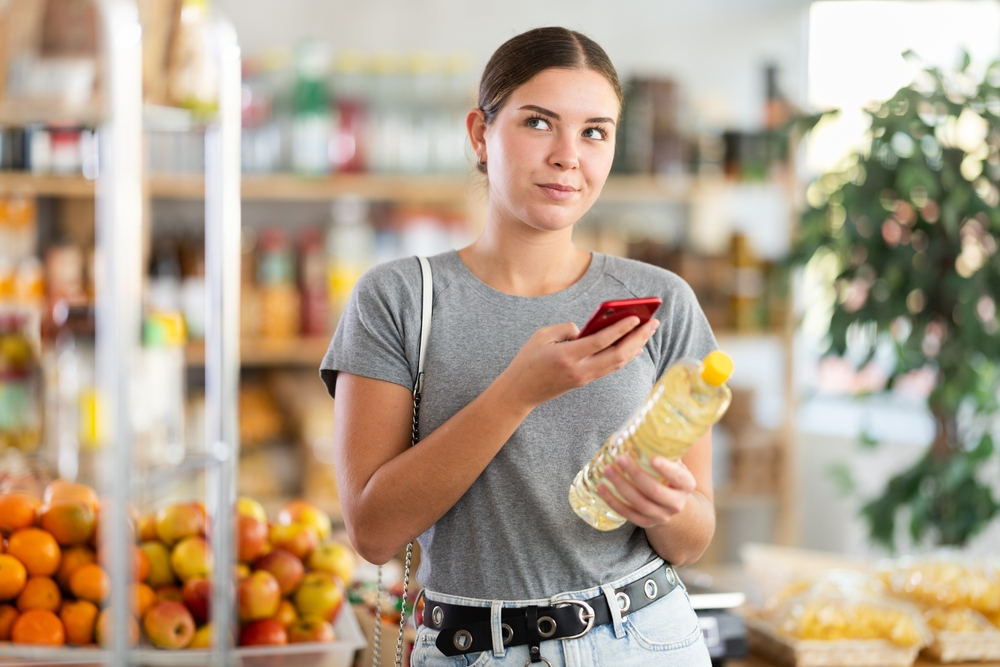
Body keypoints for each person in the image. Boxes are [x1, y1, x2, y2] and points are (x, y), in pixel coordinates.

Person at [321, 26, 716, 667]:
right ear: (480, 134)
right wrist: (518, 392)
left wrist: (666, 508)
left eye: (595, 132)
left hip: (645, 638)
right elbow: (373, 532)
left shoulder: (661, 301)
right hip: (472, 648)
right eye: (538, 123)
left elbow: (693, 540)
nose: (568, 156)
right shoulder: (399, 298)